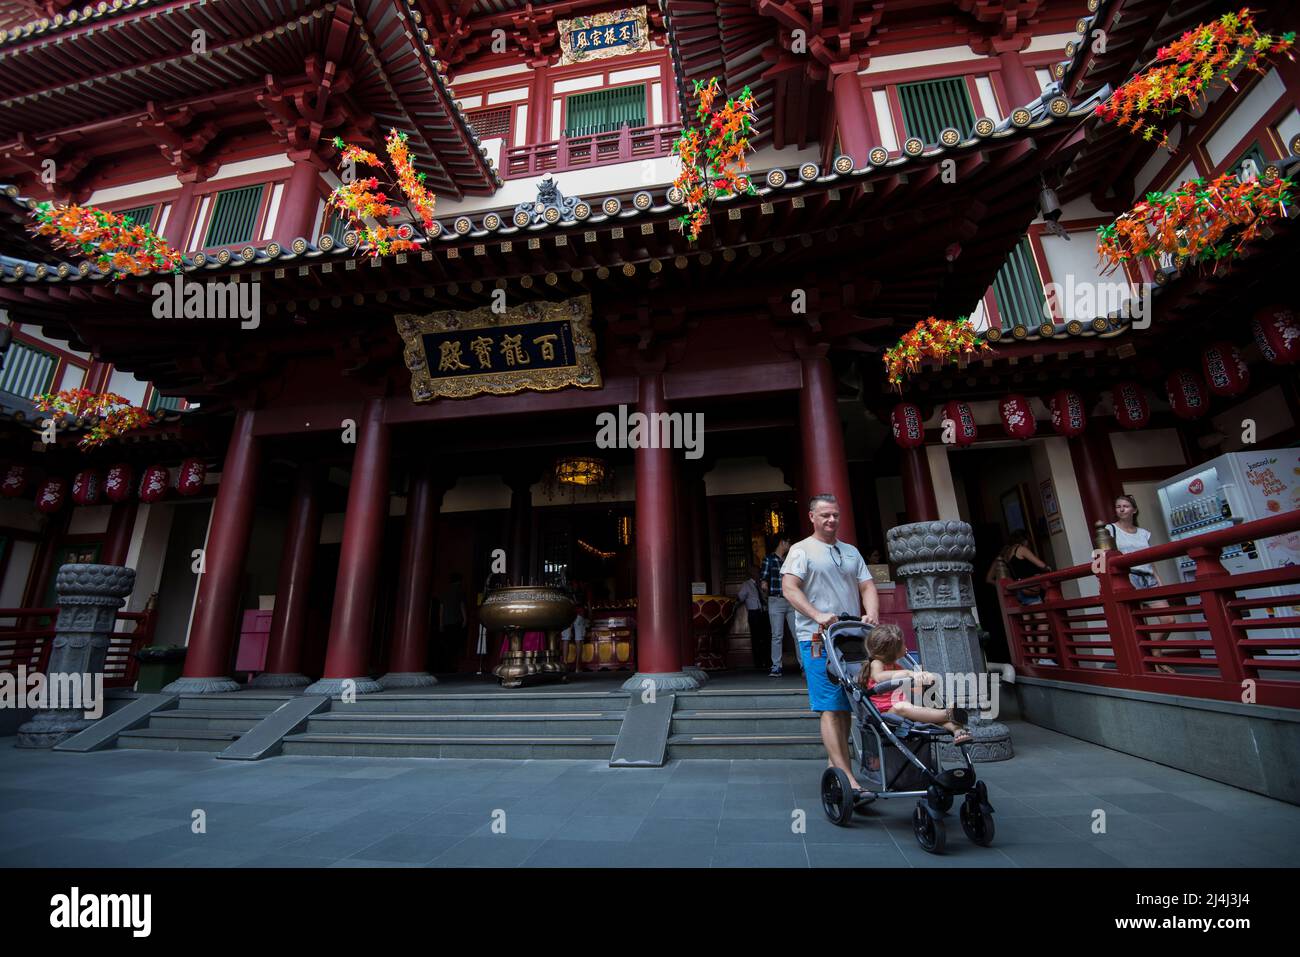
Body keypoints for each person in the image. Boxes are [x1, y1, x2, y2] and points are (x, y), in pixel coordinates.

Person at [782, 494, 880, 791]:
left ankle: (836, 765)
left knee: (846, 705)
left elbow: (867, 585)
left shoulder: (850, 552)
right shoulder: (802, 550)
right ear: (812, 517)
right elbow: (789, 588)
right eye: (825, 515)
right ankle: (847, 778)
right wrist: (817, 614)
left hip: (850, 637)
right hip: (816, 638)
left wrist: (872, 612)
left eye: (835, 514)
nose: (831, 520)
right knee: (829, 705)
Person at [860, 624, 971, 744]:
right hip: (886, 713)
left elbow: (912, 691)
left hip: (907, 708)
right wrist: (909, 673)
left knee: (925, 710)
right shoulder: (876, 663)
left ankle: (956, 729)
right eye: (903, 644)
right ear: (893, 652)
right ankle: (948, 714)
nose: (905, 647)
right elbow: (879, 677)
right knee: (901, 707)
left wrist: (924, 682)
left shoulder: (897, 667)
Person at [1107, 494, 1177, 673]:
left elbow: (1150, 561)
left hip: (1148, 578)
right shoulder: (1111, 529)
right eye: (1118, 506)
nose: (1121, 509)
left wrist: (1159, 582)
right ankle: (1143, 662)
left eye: (1125, 506)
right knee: (1134, 624)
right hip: (1129, 578)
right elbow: (1104, 556)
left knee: (1169, 619)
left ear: (1134, 510)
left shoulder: (1144, 533)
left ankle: (1155, 651)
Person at [761, 535, 796, 676]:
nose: (790, 544)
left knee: (797, 634)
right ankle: (776, 666)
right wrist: (766, 594)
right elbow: (763, 582)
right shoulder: (769, 559)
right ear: (782, 542)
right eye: (788, 541)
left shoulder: (790, 560)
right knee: (777, 635)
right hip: (775, 600)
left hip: (791, 600)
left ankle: (804, 665)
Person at [737, 564, 770, 670]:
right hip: (754, 613)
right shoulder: (746, 585)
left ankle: (768, 661)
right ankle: (758, 663)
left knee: (767, 638)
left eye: (759, 571)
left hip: (764, 612)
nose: (758, 573)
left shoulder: (762, 584)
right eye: (756, 572)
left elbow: (766, 597)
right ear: (751, 573)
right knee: (756, 638)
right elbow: (741, 597)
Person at [438, 572, 467, 672]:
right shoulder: (459, 591)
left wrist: (441, 622)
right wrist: (465, 619)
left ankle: (446, 665)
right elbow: (462, 606)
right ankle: (453, 666)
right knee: (455, 644)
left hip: (446, 621)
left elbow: (441, 608)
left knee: (447, 644)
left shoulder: (445, 591)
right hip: (456, 620)